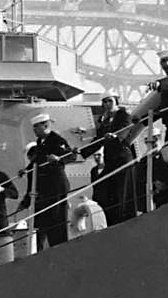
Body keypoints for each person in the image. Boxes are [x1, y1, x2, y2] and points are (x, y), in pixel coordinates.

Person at [19, 113, 74, 250]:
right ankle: (52, 247)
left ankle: (60, 248)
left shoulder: (56, 140)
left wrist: (58, 159)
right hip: (47, 188)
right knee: (48, 220)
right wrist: (26, 170)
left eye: (36, 127)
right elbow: (38, 161)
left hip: (57, 186)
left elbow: (71, 156)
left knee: (57, 220)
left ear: (45, 125)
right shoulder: (40, 142)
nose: (34, 130)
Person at [83, 95, 139, 227]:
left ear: (116, 102)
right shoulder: (106, 121)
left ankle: (124, 222)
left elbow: (125, 130)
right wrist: (82, 152)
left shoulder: (124, 115)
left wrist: (116, 137)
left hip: (122, 159)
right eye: (104, 101)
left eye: (110, 101)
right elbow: (99, 140)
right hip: (111, 161)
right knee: (109, 191)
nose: (107, 104)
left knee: (122, 193)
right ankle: (112, 222)